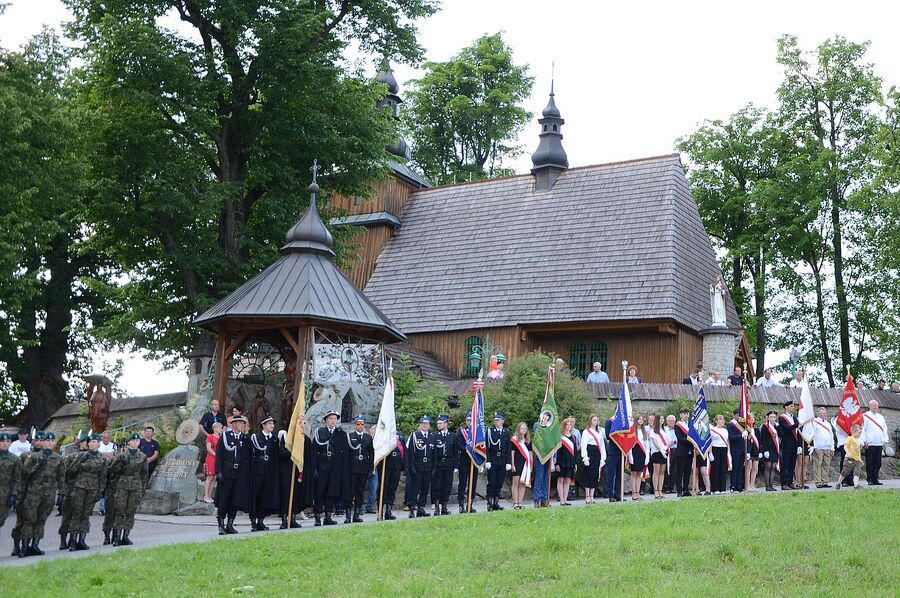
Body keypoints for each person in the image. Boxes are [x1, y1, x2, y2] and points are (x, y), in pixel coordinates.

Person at [16, 432, 65, 558]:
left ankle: (35, 545)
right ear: (42, 442)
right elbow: (25, 473)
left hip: (49, 494)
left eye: (52, 440)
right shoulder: (33, 456)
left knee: (41, 520)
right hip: (34, 493)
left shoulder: (58, 458)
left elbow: (61, 477)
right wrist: (38, 464)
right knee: (29, 519)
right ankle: (25, 546)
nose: (49, 442)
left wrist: (61, 493)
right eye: (46, 440)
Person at [66, 432, 108, 551]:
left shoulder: (102, 458)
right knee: (77, 513)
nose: (92, 444)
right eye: (90, 442)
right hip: (79, 487)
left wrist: (101, 491)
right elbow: (71, 471)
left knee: (86, 515)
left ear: (98, 444)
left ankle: (82, 540)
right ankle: (73, 541)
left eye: (94, 442)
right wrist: (80, 461)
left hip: (93, 489)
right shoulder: (81, 456)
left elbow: (103, 476)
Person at [310, 410, 350, 526]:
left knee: (331, 492)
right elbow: (314, 451)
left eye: (335, 418)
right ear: (326, 420)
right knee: (319, 492)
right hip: (321, 465)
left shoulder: (340, 434)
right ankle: (317, 517)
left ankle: (328, 516)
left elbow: (344, 453)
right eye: (330, 418)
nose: (333, 421)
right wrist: (314, 468)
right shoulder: (320, 432)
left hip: (334, 467)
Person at [109, 432, 148, 546]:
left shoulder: (143, 456)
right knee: (120, 511)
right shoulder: (122, 456)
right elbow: (113, 470)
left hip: (136, 486)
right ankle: (117, 538)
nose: (135, 442)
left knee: (131, 512)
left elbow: (144, 474)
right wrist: (122, 465)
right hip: (123, 485)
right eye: (133, 441)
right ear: (129, 442)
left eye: (137, 441)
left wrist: (142, 489)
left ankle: (125, 537)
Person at [215, 415, 251, 534]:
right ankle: (221, 524)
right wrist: (219, 471)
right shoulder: (225, 436)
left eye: (243, 423)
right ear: (234, 424)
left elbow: (247, 457)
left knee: (235, 499)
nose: (242, 425)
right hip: (227, 471)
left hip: (239, 473)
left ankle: (230, 524)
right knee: (224, 498)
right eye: (240, 423)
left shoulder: (245, 438)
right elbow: (219, 455)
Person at [249, 416, 279, 531]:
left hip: (269, 471)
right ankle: (253, 521)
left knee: (266, 496)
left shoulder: (274, 439)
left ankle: (261, 520)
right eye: (269, 423)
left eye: (272, 423)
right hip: (258, 470)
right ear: (264, 425)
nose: (272, 425)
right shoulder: (256, 437)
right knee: (256, 495)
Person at [58, 432, 87, 551]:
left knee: (81, 516)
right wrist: (61, 492)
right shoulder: (71, 455)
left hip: (85, 490)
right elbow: (66, 472)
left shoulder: (92, 456)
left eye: (88, 442)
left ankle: (77, 540)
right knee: (67, 517)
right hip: (70, 489)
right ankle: (63, 541)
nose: (86, 444)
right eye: (84, 442)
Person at [405, 416, 435, 518]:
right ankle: (412, 509)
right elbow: (409, 452)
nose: (425, 425)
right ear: (420, 424)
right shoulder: (414, 436)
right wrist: (411, 466)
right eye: (423, 423)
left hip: (428, 467)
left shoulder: (432, 437)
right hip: (417, 466)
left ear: (429, 425)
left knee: (425, 489)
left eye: (427, 424)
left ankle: (421, 508)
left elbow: (434, 454)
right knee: (414, 488)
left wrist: (434, 467)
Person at [346, 415, 374, 523]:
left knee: (360, 492)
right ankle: (348, 515)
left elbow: (371, 453)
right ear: (355, 425)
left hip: (363, 468)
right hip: (352, 468)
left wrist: (371, 468)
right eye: (358, 424)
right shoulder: (350, 436)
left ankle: (356, 514)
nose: (360, 426)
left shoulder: (368, 437)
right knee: (350, 492)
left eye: (362, 424)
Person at [485, 413, 511, 511]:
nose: (496, 422)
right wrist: (488, 460)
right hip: (493, 459)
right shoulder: (490, 432)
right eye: (495, 420)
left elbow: (508, 448)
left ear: (502, 421)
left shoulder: (506, 432)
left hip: (502, 460)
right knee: (492, 482)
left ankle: (496, 502)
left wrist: (509, 462)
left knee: (499, 482)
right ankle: (490, 502)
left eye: (498, 420)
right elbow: (487, 447)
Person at [430, 415, 455, 516]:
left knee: (447, 486)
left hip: (448, 464)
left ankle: (444, 507)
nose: (438, 425)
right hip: (438, 464)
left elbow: (455, 451)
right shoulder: (434, 435)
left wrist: (455, 465)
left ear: (446, 424)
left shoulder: (452, 436)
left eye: (440, 423)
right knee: (437, 486)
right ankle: (437, 507)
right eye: (437, 423)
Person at [455, 414, 479, 513]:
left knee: (472, 483)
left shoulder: (478, 433)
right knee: (463, 483)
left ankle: (470, 504)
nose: (469, 422)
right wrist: (468, 450)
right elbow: (459, 444)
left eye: (471, 420)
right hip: (464, 461)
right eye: (468, 420)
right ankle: (461, 504)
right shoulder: (461, 431)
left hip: (474, 461)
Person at [378, 430, 404, 520]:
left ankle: (388, 511)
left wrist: (403, 466)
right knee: (383, 488)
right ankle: (380, 510)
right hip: (386, 465)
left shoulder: (399, 436)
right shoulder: (383, 435)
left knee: (392, 488)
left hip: (396, 465)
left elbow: (404, 450)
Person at [861, 399, 888, 485]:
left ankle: (875, 479)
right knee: (870, 462)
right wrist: (864, 441)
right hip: (870, 443)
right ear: (870, 406)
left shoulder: (881, 417)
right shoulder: (865, 416)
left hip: (879, 443)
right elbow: (863, 430)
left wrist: (885, 441)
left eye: (877, 405)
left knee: (878, 463)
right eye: (874, 405)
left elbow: (884, 429)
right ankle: (870, 479)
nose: (876, 407)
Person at [580, 415, 606, 504]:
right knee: (588, 474)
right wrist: (585, 457)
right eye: (594, 420)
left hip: (597, 453)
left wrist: (603, 457)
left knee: (595, 474)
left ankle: (592, 495)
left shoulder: (599, 432)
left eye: (597, 420)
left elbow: (602, 445)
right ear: (590, 421)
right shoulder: (586, 432)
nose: (596, 421)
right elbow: (584, 445)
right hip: (589, 452)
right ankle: (587, 495)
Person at [810, 407, 835, 488]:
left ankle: (824, 481)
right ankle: (818, 482)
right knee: (818, 465)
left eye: (825, 413)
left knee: (826, 465)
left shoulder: (828, 424)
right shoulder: (815, 422)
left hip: (827, 447)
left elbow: (831, 436)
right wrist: (815, 446)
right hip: (819, 447)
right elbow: (813, 435)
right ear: (818, 414)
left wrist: (832, 448)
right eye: (822, 413)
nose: (824, 414)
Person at [777, 400, 799, 490]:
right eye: (791, 406)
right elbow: (787, 428)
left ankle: (790, 482)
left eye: (793, 406)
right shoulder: (782, 418)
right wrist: (797, 424)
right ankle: (784, 484)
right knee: (785, 465)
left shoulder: (794, 418)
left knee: (792, 464)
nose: (792, 408)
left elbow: (797, 431)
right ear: (786, 407)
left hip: (794, 443)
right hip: (786, 443)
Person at [554, 417, 577, 506]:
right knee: (561, 479)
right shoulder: (560, 437)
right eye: (567, 424)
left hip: (570, 461)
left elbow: (575, 451)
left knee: (568, 480)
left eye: (570, 425)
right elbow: (557, 451)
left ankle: (565, 498)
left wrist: (575, 463)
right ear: (564, 426)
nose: (569, 426)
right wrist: (557, 463)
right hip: (561, 461)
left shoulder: (573, 437)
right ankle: (561, 500)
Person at [510, 422, 532, 510]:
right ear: (518, 429)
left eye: (525, 429)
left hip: (526, 464)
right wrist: (512, 464)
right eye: (522, 428)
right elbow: (512, 453)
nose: (524, 430)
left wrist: (530, 465)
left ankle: (520, 502)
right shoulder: (514, 440)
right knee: (516, 482)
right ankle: (515, 503)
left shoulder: (528, 441)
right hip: (516, 462)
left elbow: (530, 454)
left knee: (523, 483)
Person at [648, 415, 669, 499]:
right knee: (656, 471)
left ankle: (660, 490)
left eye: (663, 418)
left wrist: (665, 448)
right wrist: (660, 449)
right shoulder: (653, 430)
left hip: (664, 451)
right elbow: (655, 441)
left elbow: (669, 440)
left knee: (662, 472)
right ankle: (656, 490)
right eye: (660, 419)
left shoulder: (665, 430)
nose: (662, 420)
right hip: (657, 452)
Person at [836, 425, 863, 489]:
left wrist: (860, 459)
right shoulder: (850, 438)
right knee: (845, 472)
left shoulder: (858, 441)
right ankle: (838, 483)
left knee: (857, 472)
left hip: (857, 460)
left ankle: (856, 485)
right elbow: (845, 446)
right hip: (849, 459)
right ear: (853, 432)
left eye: (860, 433)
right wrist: (848, 453)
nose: (860, 434)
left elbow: (858, 452)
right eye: (859, 433)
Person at [627, 415, 648, 501]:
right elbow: (629, 444)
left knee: (639, 473)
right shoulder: (632, 431)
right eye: (639, 419)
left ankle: (638, 492)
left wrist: (647, 456)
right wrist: (630, 455)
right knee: (634, 473)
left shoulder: (644, 431)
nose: (641, 420)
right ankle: (633, 492)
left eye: (642, 419)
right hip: (634, 452)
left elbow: (646, 444)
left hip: (642, 453)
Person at [709, 415, 730, 494]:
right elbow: (709, 442)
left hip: (723, 449)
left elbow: (727, 441)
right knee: (715, 469)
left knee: (722, 469)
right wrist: (710, 453)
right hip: (715, 449)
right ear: (716, 421)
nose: (722, 421)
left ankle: (722, 488)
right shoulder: (712, 430)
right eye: (720, 419)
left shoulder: (725, 430)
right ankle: (715, 488)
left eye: (723, 419)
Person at [673, 408, 692, 497]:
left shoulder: (691, 424)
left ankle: (686, 489)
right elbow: (680, 438)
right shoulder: (678, 425)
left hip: (690, 451)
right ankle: (679, 491)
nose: (686, 415)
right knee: (680, 472)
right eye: (684, 413)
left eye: (687, 413)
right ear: (680, 415)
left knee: (688, 472)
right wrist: (691, 441)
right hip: (682, 451)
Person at [759, 411, 781, 491]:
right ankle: (767, 486)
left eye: (774, 417)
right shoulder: (765, 426)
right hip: (768, 449)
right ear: (768, 418)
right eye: (771, 417)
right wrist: (764, 450)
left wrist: (778, 427)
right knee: (768, 467)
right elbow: (762, 439)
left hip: (775, 449)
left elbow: (781, 435)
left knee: (773, 467)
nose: (772, 419)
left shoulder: (776, 426)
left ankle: (771, 485)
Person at [96, 430, 116, 516]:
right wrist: (108, 454)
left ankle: (104, 508)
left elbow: (114, 456)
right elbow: (98, 455)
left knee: (107, 490)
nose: (106, 439)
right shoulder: (98, 444)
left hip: (110, 469)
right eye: (104, 437)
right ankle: (100, 508)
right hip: (100, 470)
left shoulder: (113, 445)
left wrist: (104, 454)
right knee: (101, 489)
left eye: (107, 438)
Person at [726, 409, 747, 492]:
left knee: (740, 468)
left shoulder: (742, 424)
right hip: (734, 450)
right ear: (734, 415)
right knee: (734, 468)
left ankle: (739, 485)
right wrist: (741, 435)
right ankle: (733, 485)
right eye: (737, 415)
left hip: (741, 449)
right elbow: (731, 437)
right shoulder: (730, 424)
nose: (739, 417)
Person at [604, 415, 622, 502]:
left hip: (622, 450)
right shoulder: (609, 422)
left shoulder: (624, 423)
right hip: (613, 450)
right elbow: (607, 435)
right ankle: (610, 494)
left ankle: (618, 494)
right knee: (611, 474)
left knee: (620, 473)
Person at [0, 431, 16, 531]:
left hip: (5, 494)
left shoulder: (14, 459)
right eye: (2, 441)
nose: (5, 443)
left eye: (7, 441)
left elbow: (17, 478)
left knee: (1, 520)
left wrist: (14, 495)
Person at [204, 421, 223, 502]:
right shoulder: (210, 437)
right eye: (219, 428)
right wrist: (216, 455)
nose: (221, 429)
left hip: (218, 459)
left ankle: (210, 496)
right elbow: (209, 449)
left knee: (215, 477)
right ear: (215, 428)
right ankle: (206, 496)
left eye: (221, 428)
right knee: (210, 477)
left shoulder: (221, 438)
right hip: (211, 458)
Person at [833, 414, 851, 487]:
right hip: (843, 443)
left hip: (851, 443)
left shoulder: (850, 417)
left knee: (851, 461)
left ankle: (850, 479)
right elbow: (837, 428)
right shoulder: (838, 419)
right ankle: (844, 480)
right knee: (844, 462)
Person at [744, 413, 760, 492]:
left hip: (756, 450)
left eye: (753, 418)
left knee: (755, 468)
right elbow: (746, 441)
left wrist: (760, 451)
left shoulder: (756, 429)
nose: (752, 419)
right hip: (749, 450)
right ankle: (747, 485)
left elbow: (759, 440)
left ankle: (752, 484)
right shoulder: (747, 429)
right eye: (750, 418)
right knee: (749, 467)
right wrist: (747, 451)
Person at [663, 415, 677, 493]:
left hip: (676, 449)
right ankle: (666, 487)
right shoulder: (664, 429)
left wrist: (675, 441)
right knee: (667, 468)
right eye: (669, 421)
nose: (671, 422)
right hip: (668, 449)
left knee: (675, 469)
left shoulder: (677, 429)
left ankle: (673, 486)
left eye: (673, 420)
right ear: (667, 421)